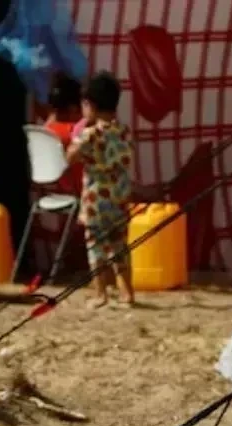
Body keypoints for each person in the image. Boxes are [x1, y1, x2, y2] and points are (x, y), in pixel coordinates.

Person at [68, 71, 136, 308]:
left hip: (96, 199)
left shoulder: (90, 135)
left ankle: (100, 293)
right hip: (119, 197)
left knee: (95, 245)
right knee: (120, 244)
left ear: (90, 105)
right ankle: (127, 292)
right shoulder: (124, 131)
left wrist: (77, 135)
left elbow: (70, 157)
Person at [43, 73, 83, 197]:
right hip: (79, 185)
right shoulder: (72, 132)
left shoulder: (46, 129)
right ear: (73, 109)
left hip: (58, 185)